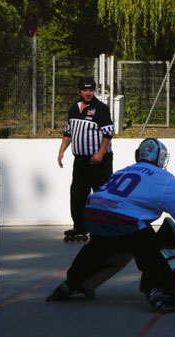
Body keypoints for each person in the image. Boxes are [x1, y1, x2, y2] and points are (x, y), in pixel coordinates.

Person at [46, 138, 175, 313]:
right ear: (162, 158)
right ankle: (159, 290)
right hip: (122, 219)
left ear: (137, 155)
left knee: (100, 247)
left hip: (93, 213)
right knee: (147, 245)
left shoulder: (123, 171)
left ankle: (70, 284)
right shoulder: (163, 178)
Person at [57, 76, 115, 243]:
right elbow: (68, 133)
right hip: (81, 162)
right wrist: (61, 152)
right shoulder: (73, 109)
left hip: (99, 162)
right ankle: (79, 226)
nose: (88, 93)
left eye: (91, 90)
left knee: (102, 196)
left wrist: (100, 154)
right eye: (85, 90)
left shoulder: (100, 108)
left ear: (94, 90)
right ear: (80, 90)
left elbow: (108, 133)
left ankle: (106, 228)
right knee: (77, 194)